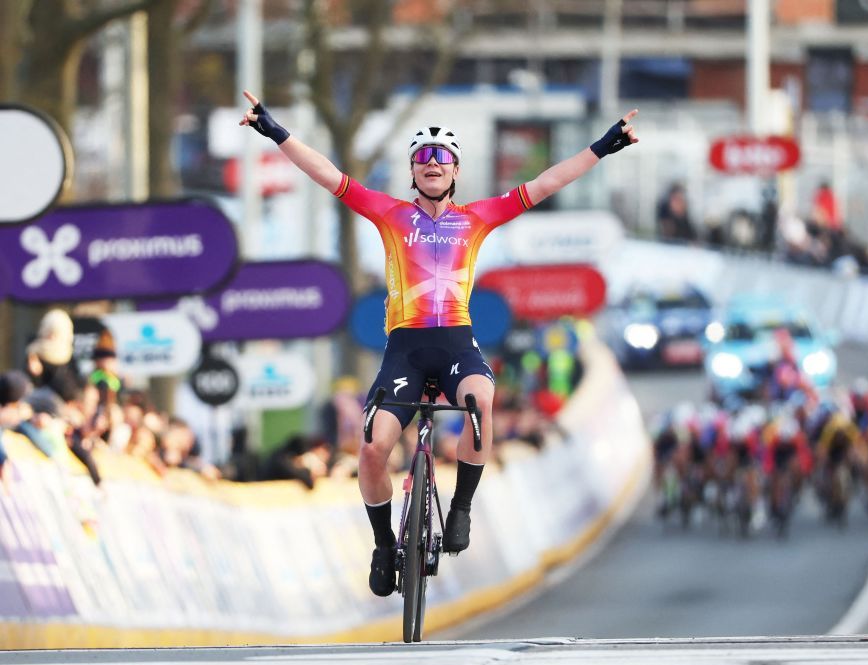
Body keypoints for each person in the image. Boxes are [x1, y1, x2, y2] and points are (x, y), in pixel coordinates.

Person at [239, 90, 639, 597]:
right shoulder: (387, 214)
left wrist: (603, 146)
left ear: (455, 171)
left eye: (443, 156)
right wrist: (274, 131)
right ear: (411, 171)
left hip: (456, 345)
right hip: (404, 349)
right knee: (370, 450)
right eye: (422, 157)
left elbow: (546, 183)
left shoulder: (477, 218)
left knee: (482, 401)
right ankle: (385, 544)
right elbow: (325, 172)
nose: (432, 163)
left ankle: (462, 508)